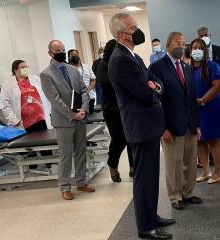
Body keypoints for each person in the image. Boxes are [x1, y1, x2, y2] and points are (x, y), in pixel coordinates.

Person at [108, 13, 174, 240]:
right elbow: (146, 91)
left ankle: (151, 216)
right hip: (140, 125)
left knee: (150, 176)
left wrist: (153, 86)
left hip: (147, 125)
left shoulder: (132, 56)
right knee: (144, 178)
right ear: (121, 34)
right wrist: (153, 88)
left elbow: (151, 83)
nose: (137, 31)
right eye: (133, 28)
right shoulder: (121, 59)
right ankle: (145, 227)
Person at [149, 32, 202, 211]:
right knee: (174, 164)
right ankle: (175, 195)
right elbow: (156, 100)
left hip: (190, 125)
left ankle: (188, 192)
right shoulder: (157, 68)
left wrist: (197, 124)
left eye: (184, 43)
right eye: (178, 43)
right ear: (168, 45)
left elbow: (192, 98)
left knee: (190, 161)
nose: (182, 46)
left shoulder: (187, 67)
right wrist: (163, 128)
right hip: (171, 126)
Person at [40, 40, 95, 201]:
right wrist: (72, 115)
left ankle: (81, 182)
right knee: (65, 155)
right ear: (50, 53)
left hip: (80, 116)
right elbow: (55, 100)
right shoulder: (46, 74)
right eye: (58, 50)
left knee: (80, 151)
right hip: (64, 121)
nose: (61, 52)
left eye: (63, 49)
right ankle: (65, 187)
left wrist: (84, 109)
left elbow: (84, 91)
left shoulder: (72, 70)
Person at [191, 38, 220, 184]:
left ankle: (218, 172)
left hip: (212, 107)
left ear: (205, 51)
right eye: (194, 47)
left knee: (214, 140)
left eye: (200, 48)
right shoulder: (188, 69)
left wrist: (203, 100)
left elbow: (219, 85)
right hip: (196, 110)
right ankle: (206, 171)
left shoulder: (212, 66)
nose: (196, 50)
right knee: (200, 141)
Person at [2, 60, 53, 169]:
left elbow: (45, 96)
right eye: (22, 67)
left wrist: (49, 111)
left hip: (40, 118)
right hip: (23, 121)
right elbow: (5, 106)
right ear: (15, 70)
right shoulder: (7, 85)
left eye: (27, 66)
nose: (26, 69)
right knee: (28, 146)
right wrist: (15, 120)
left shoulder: (35, 79)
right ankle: (32, 167)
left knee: (45, 142)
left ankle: (50, 164)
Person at [97, 39, 134, 182]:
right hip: (112, 109)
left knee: (131, 138)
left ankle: (133, 166)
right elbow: (107, 83)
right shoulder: (103, 65)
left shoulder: (123, 63)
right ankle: (113, 166)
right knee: (119, 139)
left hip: (127, 107)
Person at [197, 26, 220, 149]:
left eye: (206, 34)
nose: (204, 37)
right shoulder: (195, 53)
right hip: (202, 92)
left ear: (210, 35)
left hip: (219, 91)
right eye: (201, 35)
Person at [68, 49, 97, 114]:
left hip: (89, 97)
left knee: (90, 117)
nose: (74, 56)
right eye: (72, 55)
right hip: (76, 99)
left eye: (76, 54)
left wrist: (87, 91)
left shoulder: (87, 67)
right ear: (69, 58)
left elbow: (93, 80)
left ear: (78, 55)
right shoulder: (68, 69)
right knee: (80, 118)